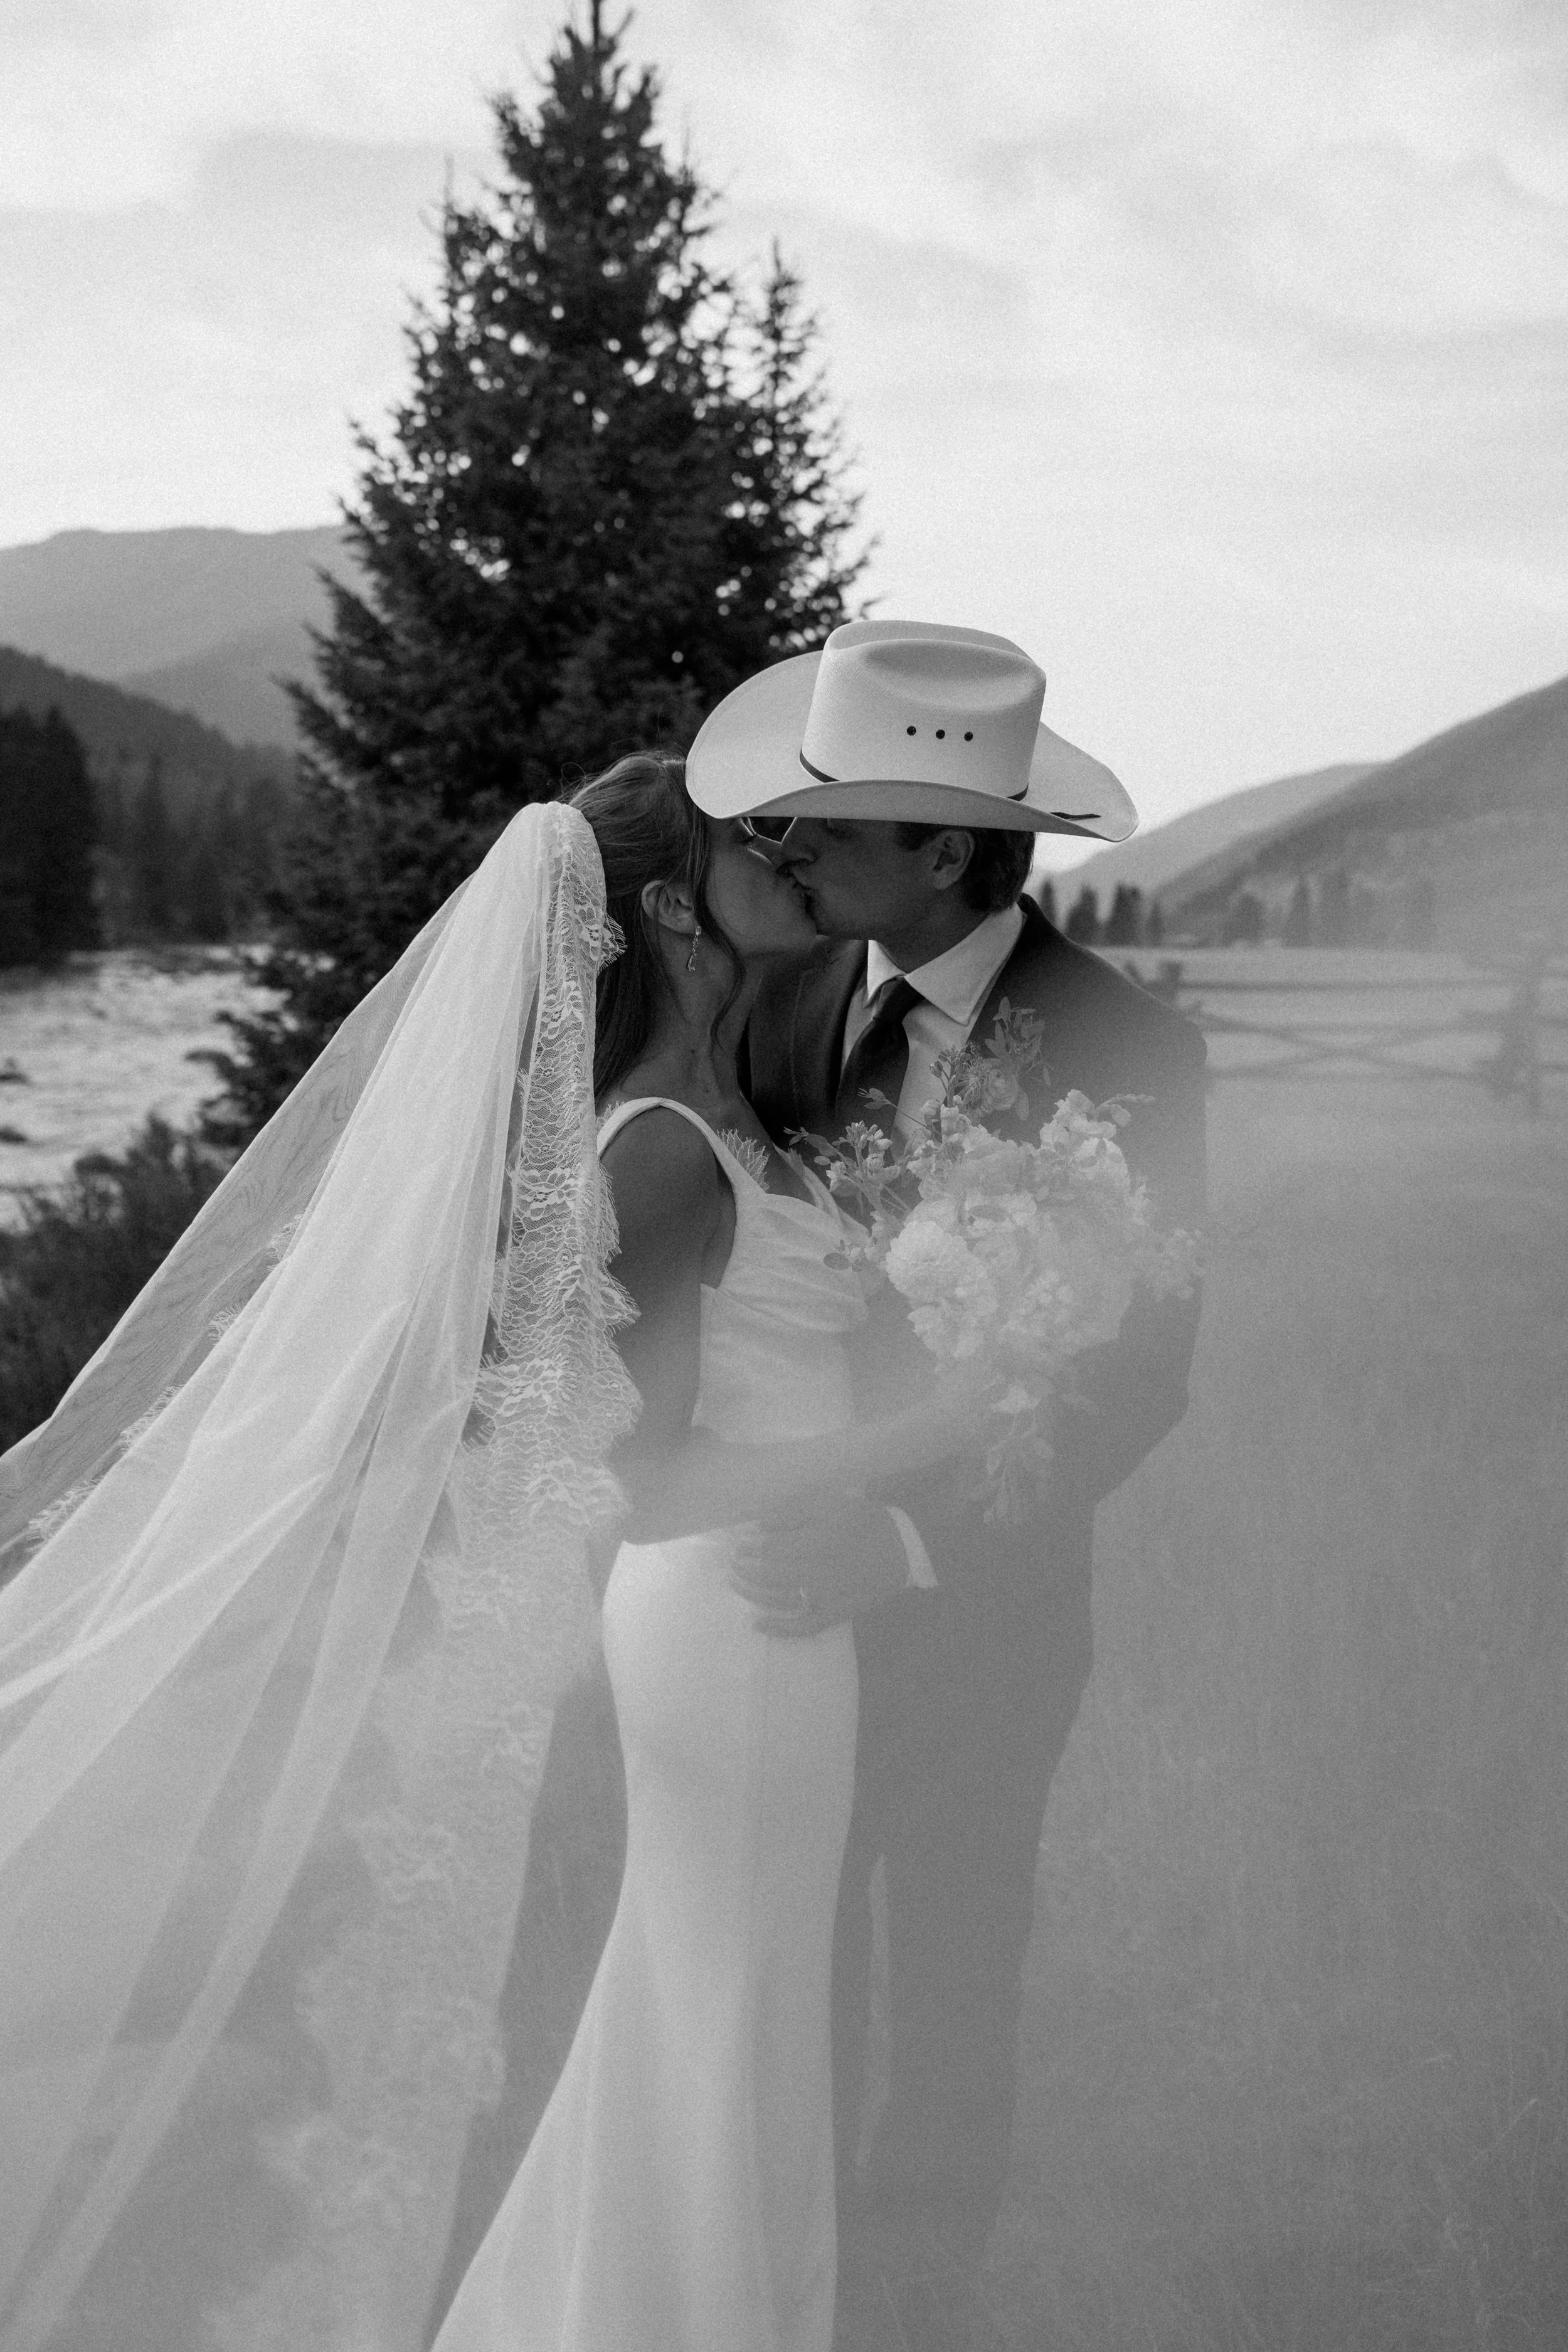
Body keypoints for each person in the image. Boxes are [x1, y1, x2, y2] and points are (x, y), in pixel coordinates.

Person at [0, 759, 977, 2352]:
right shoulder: (656, 1149)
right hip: (728, 1616)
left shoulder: (726, 1109)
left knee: (727, 2010)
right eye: (756, 845)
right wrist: (917, 1442)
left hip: (773, 1615)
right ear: (666, 905)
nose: (795, 856)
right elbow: (644, 1484)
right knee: (715, 2010)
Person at [687, 618, 1209, 2349]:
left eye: (829, 820)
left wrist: (899, 1532)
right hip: (762, 1602)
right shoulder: (777, 1006)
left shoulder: (1118, 1042)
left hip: (979, 1618)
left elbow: (1135, 1372)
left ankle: (906, 2315)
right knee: (788, 1982)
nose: (787, 843)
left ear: (942, 844)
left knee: (950, 1995)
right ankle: (789, 2290)